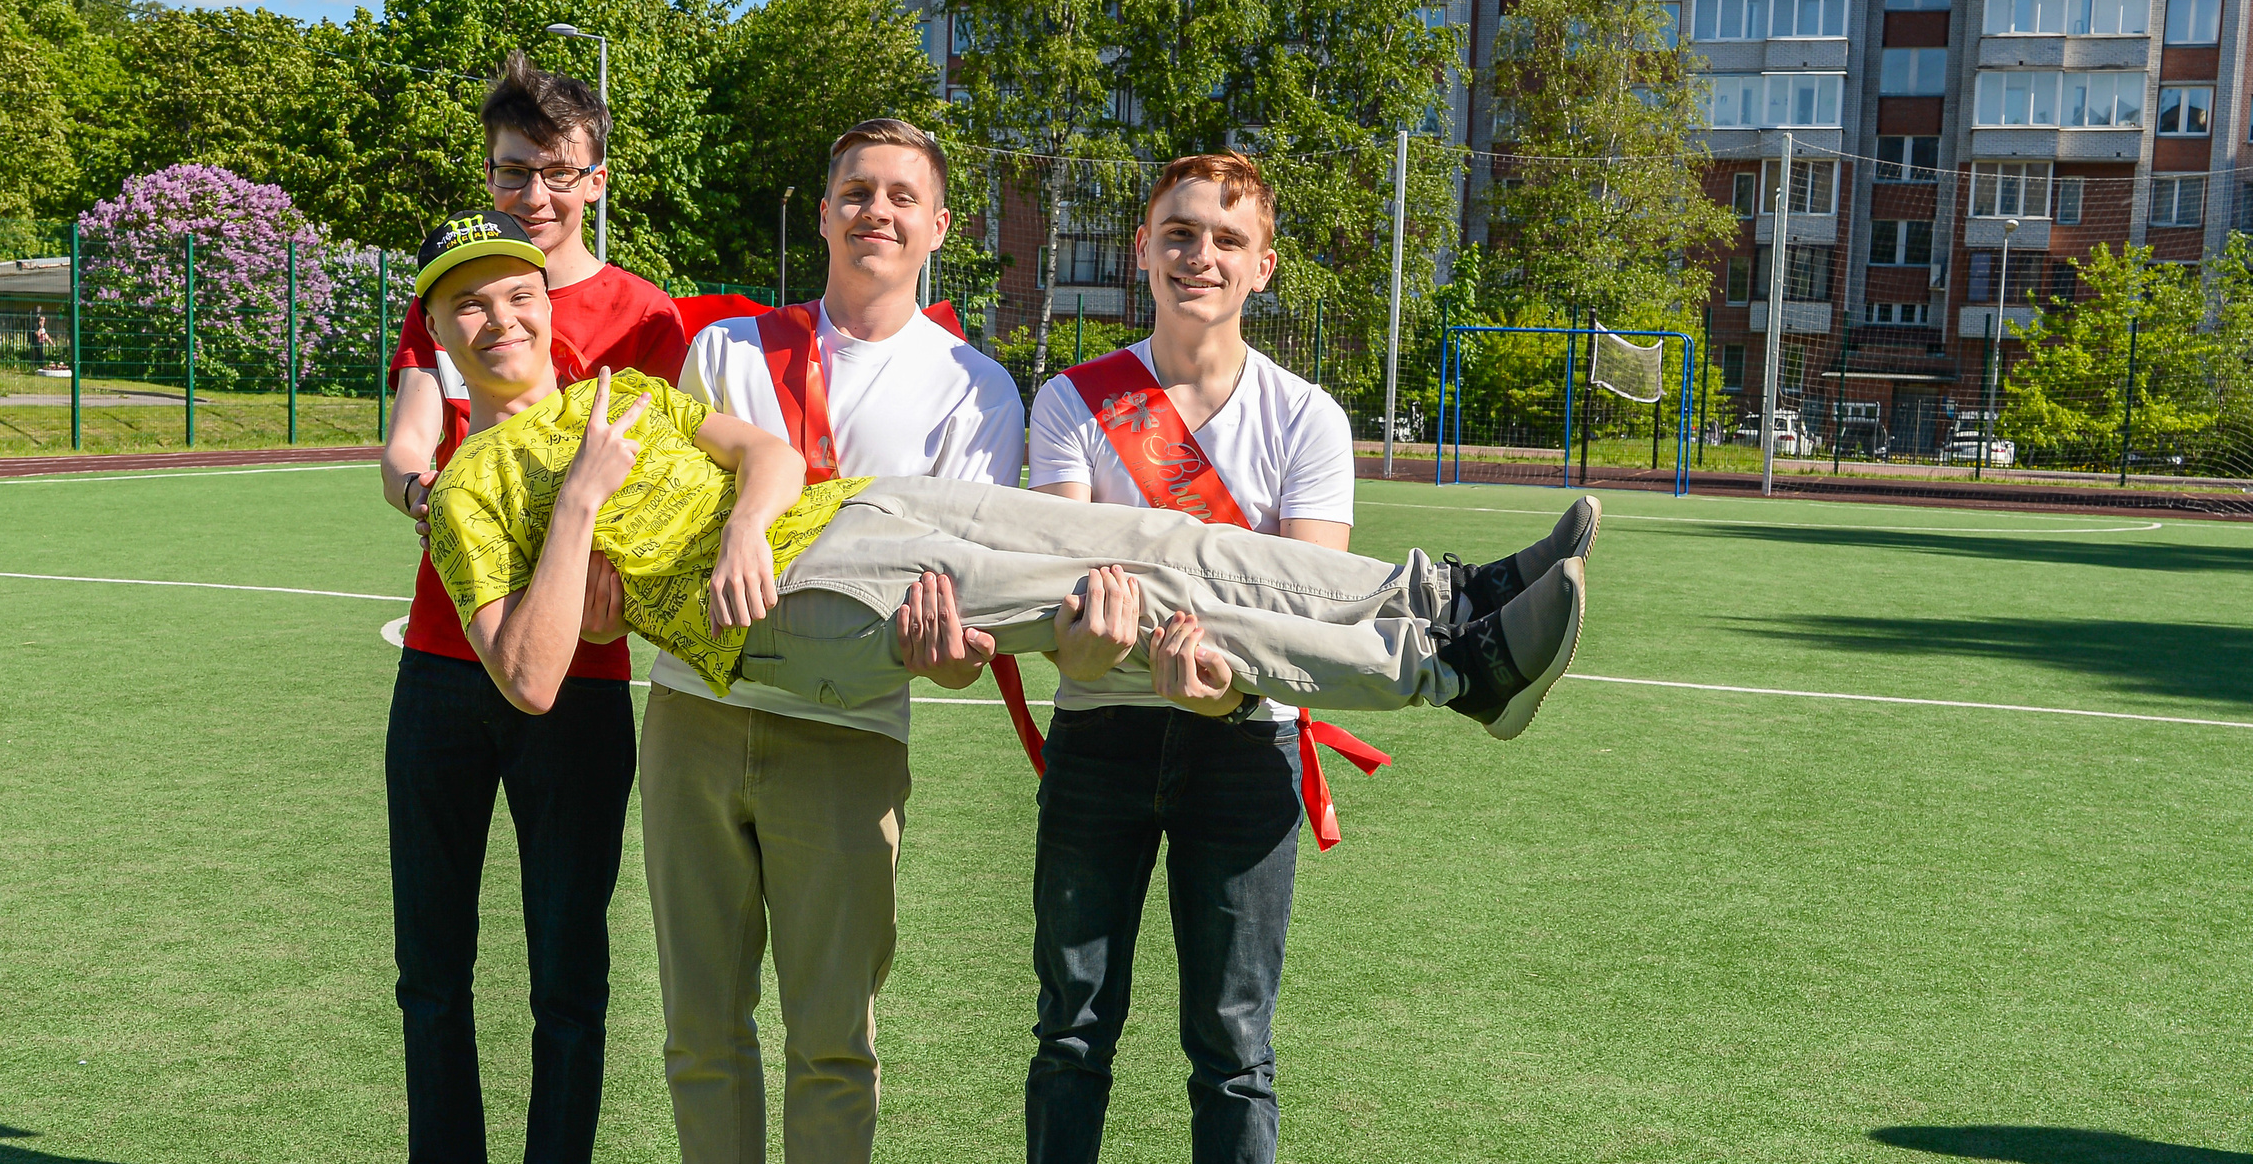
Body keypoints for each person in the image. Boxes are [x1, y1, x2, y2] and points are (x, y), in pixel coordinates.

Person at [952, 152, 1599, 1164]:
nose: (1200, 256)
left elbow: (1294, 613)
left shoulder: (1304, 415)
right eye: (1178, 233)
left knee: (1232, 1047)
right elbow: (1069, 620)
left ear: (1262, 267)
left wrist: (1208, 659)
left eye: (1225, 239)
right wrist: (1161, 640)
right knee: (1071, 1028)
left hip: (1244, 739)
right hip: (1100, 738)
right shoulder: (1073, 402)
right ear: (1140, 247)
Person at [411, 195, 1590, 812]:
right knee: (1139, 589)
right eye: (469, 308)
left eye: (515, 294)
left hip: (850, 513)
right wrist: (576, 514)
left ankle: (1446, 595)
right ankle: (1453, 673)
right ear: (441, 330)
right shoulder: (468, 489)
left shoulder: (621, 388)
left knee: (1163, 536)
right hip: (798, 616)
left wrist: (731, 531)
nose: (500, 318)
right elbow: (528, 674)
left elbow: (765, 459)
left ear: (541, 302)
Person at [599, 118, 1025, 1164]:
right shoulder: (728, 349)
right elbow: (660, 511)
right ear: (824, 211)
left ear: (940, 229)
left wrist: (951, 647)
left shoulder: (974, 390)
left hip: (848, 736)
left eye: (903, 197)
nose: (875, 212)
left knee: (832, 1022)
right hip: (692, 709)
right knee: (700, 1008)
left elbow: (966, 638)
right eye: (855, 191)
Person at [313, 54, 683, 1164]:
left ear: (594, 177)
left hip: (580, 680)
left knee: (567, 960)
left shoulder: (646, 318)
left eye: (554, 170)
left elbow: (669, 488)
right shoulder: (453, 293)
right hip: (439, 662)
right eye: (510, 169)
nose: (531, 191)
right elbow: (407, 444)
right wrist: (435, 492)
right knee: (431, 954)